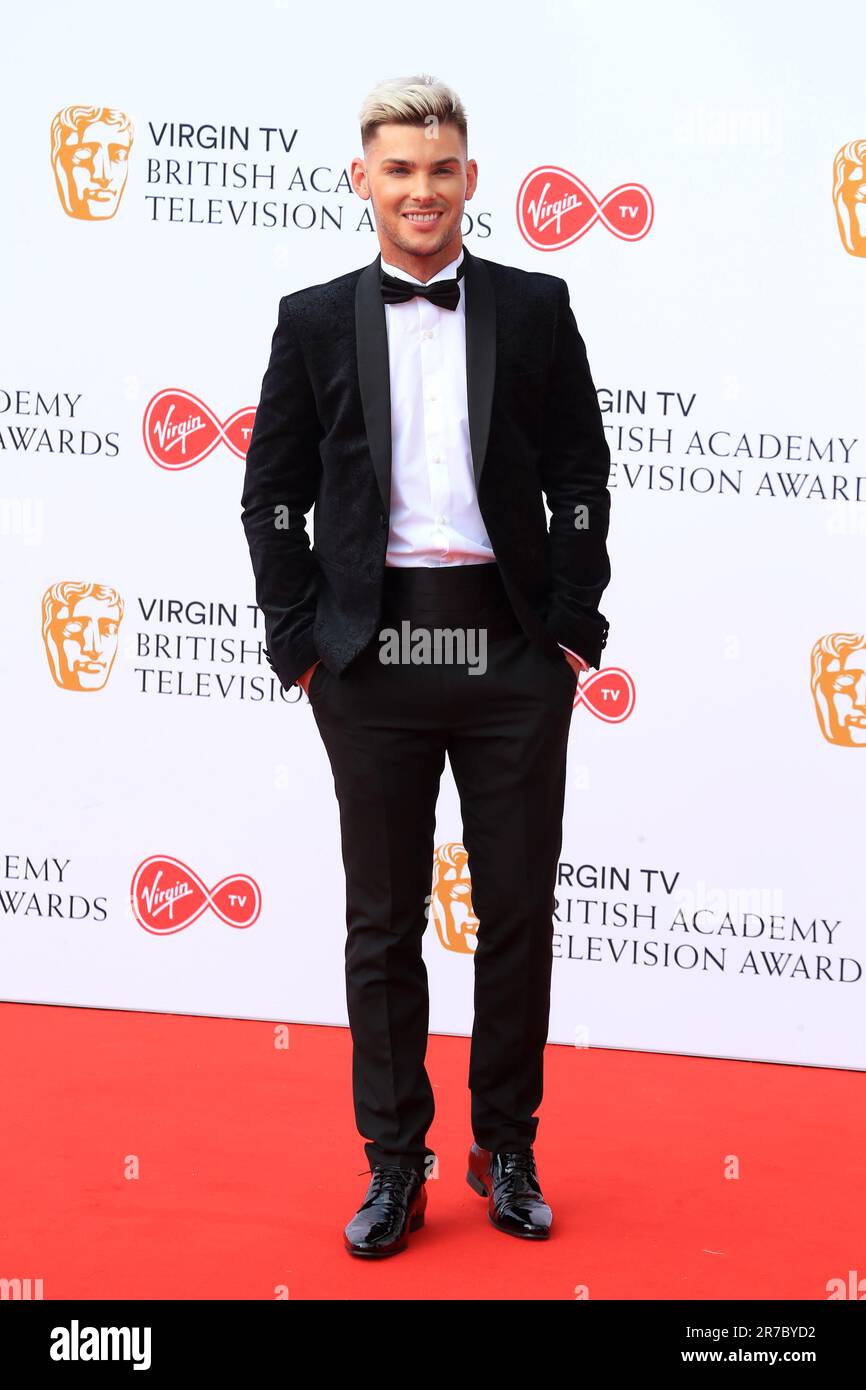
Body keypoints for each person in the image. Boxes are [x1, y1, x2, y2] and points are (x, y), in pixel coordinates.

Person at [240, 73, 611, 1257]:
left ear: (468, 178)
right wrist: (297, 642)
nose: (419, 189)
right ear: (362, 179)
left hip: (507, 646)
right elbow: (273, 495)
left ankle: (506, 1144)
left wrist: (569, 631)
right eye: (397, 169)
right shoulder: (308, 319)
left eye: (440, 168)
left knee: (515, 909)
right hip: (373, 647)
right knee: (381, 921)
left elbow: (581, 478)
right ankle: (393, 1163)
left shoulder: (536, 306)